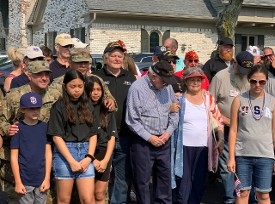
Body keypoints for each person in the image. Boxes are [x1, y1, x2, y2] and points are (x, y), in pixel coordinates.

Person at [126, 60, 179, 203]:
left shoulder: (167, 87)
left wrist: (168, 133)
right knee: (142, 182)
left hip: (164, 140)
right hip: (143, 142)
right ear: (154, 76)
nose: (167, 84)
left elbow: (175, 111)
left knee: (164, 180)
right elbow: (132, 119)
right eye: (164, 81)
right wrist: (150, 138)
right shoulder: (137, 88)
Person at [171, 67, 224, 204]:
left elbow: (218, 119)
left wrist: (221, 138)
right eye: (192, 80)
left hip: (203, 147)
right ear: (185, 82)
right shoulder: (179, 99)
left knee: (199, 182)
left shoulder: (208, 98)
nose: (195, 83)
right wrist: (169, 109)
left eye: (198, 80)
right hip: (183, 148)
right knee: (183, 182)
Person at [209, 51, 254, 204]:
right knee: (227, 166)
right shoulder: (220, 77)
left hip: (247, 130)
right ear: (234, 62)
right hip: (226, 129)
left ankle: (247, 198)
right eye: (241, 70)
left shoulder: (251, 77)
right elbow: (210, 104)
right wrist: (225, 120)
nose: (244, 74)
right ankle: (230, 198)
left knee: (246, 165)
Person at [94, 41, 136, 203]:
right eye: (113, 56)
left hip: (125, 134)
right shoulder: (97, 77)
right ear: (105, 58)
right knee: (100, 177)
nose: (117, 59)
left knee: (123, 178)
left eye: (120, 56)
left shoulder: (130, 77)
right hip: (102, 135)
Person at [47, 70, 98, 203]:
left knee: (87, 199)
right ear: (65, 86)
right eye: (73, 86)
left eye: (80, 86)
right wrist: (71, 161)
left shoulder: (89, 106)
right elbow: (56, 136)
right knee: (64, 199)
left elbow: (93, 134)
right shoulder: (58, 107)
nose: (77, 90)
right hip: (65, 154)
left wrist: (89, 157)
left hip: (86, 152)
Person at [227, 64, 275, 204]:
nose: (257, 85)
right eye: (254, 81)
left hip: (265, 155)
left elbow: (274, 131)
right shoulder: (238, 100)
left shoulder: (272, 101)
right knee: (242, 193)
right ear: (248, 80)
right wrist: (231, 157)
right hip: (243, 154)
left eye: (262, 81)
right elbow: (233, 130)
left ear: (267, 81)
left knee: (264, 195)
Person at [10, 92, 52, 204]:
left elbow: (48, 153)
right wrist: (18, 182)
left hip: (41, 180)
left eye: (37, 108)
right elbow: (14, 157)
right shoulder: (17, 128)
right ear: (23, 110)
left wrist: (47, 178)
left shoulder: (45, 127)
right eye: (31, 108)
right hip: (24, 180)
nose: (35, 111)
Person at [51, 47, 116, 112]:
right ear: (70, 63)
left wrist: (110, 102)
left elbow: (109, 99)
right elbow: (48, 111)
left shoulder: (97, 80)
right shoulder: (59, 84)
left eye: (85, 62)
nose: (83, 65)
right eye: (79, 62)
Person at [85, 76, 117, 204]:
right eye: (92, 90)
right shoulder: (82, 109)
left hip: (104, 154)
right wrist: (92, 159)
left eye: (99, 89)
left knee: (100, 194)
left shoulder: (107, 109)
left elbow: (112, 137)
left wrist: (105, 161)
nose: (96, 92)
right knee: (87, 196)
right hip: (86, 155)